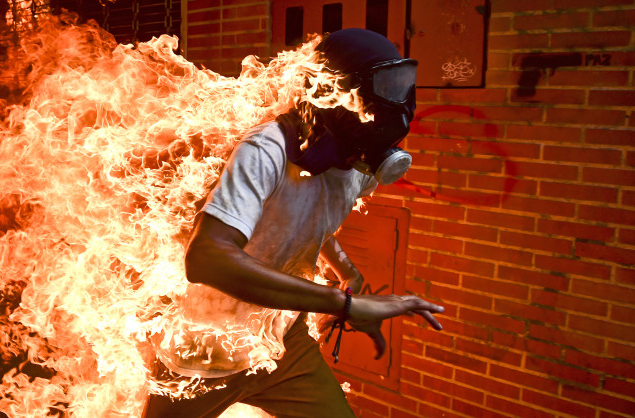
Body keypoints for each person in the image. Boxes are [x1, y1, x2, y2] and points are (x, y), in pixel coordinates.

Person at [143, 29, 445, 418]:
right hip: (204, 352)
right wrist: (346, 304)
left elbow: (307, 221)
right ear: (333, 90)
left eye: (403, 84)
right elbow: (207, 257)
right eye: (386, 85)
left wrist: (348, 275)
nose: (397, 102)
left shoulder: (359, 164)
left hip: (282, 341)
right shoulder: (266, 149)